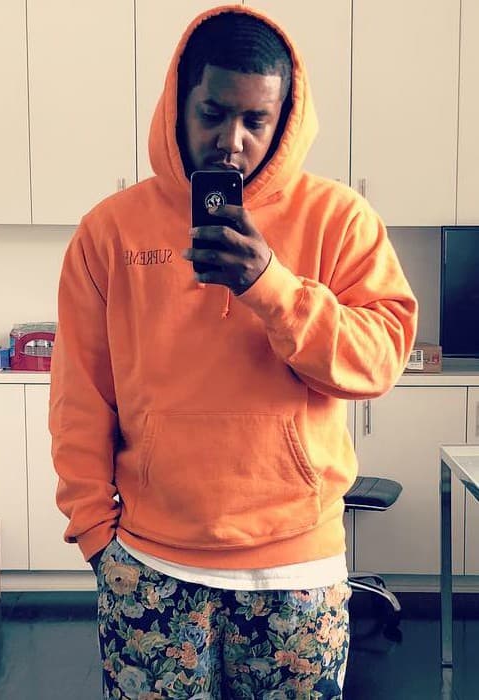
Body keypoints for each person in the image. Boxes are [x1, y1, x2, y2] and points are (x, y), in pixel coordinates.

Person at [49, 5, 417, 699]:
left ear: (285, 120)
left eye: (256, 120)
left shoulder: (340, 220)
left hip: (298, 570)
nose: (231, 141)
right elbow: (80, 397)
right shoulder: (109, 232)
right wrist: (96, 534)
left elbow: (378, 362)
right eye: (213, 114)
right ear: (178, 104)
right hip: (149, 565)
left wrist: (270, 286)